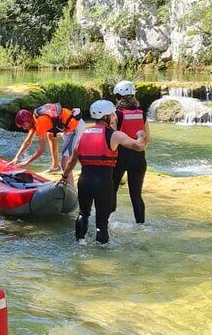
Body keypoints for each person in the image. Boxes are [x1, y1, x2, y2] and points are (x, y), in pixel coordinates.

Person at [61, 100, 149, 244]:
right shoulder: (114, 135)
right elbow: (138, 146)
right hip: (104, 184)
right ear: (106, 116)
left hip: (84, 182)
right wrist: (141, 135)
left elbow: (72, 160)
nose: (115, 116)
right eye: (113, 114)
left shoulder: (84, 133)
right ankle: (102, 254)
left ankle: (80, 242)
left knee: (83, 214)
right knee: (101, 223)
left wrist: (64, 176)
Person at [10, 103, 85, 181]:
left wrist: (26, 162)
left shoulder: (40, 122)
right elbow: (27, 141)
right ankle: (55, 166)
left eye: (23, 125)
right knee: (50, 135)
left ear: (27, 120)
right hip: (68, 126)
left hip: (74, 129)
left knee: (64, 164)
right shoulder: (34, 119)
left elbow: (41, 150)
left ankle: (71, 188)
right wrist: (16, 157)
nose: (23, 128)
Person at [111, 80, 150, 224]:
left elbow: (113, 138)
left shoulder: (116, 114)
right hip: (139, 158)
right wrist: (139, 149)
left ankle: (109, 222)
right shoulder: (142, 113)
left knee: (112, 190)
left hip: (120, 157)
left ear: (118, 97)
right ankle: (140, 225)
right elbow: (147, 139)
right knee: (136, 195)